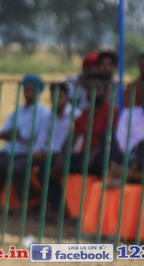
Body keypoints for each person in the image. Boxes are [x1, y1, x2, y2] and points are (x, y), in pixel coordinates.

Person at [0, 74, 50, 213]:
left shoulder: (44, 114)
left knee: (5, 164)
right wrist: (14, 134)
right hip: (7, 151)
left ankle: (32, 203)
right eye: (26, 89)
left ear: (39, 91)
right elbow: (2, 134)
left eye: (32, 90)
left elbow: (26, 136)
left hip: (25, 153)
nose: (28, 93)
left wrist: (13, 133)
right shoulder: (18, 112)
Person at [45, 75, 120, 219]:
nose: (92, 92)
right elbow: (72, 137)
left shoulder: (113, 111)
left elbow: (110, 137)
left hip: (102, 157)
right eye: (90, 89)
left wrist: (93, 153)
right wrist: (62, 156)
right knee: (48, 166)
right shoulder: (85, 114)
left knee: (100, 162)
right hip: (84, 157)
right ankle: (58, 209)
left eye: (97, 88)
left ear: (107, 90)